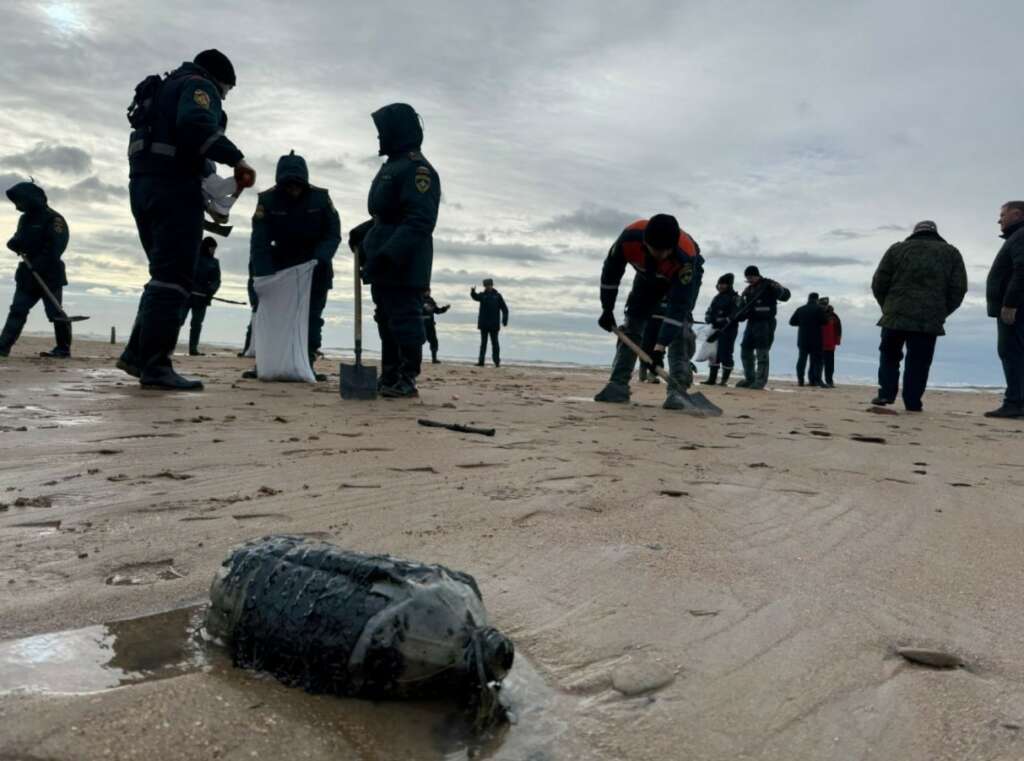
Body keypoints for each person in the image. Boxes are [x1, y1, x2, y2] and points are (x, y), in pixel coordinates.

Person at [118, 49, 255, 390]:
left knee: (162, 276)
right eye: (227, 90)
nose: (223, 97)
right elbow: (195, 128)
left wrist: (207, 182)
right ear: (220, 79)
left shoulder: (166, 87)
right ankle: (155, 366)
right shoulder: (198, 85)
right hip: (173, 190)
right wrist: (237, 160)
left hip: (144, 186)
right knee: (175, 279)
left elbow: (180, 143)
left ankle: (137, 357)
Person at [348, 103, 441, 398]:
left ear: (398, 132)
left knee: (404, 317)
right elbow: (387, 214)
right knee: (385, 316)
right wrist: (364, 233)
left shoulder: (418, 169)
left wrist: (389, 255)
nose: (378, 138)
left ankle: (406, 377)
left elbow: (419, 220)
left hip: (404, 259)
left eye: (382, 132)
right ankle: (389, 374)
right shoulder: (392, 166)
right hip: (381, 254)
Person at [594, 214, 704, 410]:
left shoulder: (685, 256)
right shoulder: (629, 239)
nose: (661, 255)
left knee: (680, 330)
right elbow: (611, 273)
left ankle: (678, 391)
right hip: (647, 278)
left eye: (665, 251)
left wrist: (658, 349)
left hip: (679, 278)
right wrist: (607, 309)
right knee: (632, 324)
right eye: (656, 250)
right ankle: (618, 385)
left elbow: (677, 307)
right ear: (645, 243)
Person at [248, 151, 340, 379]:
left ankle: (306, 362)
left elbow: (333, 234)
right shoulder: (267, 200)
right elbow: (259, 240)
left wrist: (320, 258)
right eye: (288, 185)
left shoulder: (321, 198)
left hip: (315, 266)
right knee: (272, 316)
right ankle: (265, 362)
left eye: (297, 185)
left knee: (312, 317)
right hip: (280, 265)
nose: (293, 190)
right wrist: (263, 275)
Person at [870, 220, 967, 411]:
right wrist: (941, 311)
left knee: (889, 356)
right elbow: (958, 289)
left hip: (895, 314)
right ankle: (913, 401)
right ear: (936, 233)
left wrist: (888, 306)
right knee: (919, 362)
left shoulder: (897, 249)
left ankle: (885, 394)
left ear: (915, 232)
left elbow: (879, 283)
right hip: (928, 319)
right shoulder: (951, 253)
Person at [0, 181, 71, 358]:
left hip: (50, 275)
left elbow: (56, 246)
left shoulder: (54, 219)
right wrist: (15, 243)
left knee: (55, 312)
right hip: (27, 275)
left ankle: (63, 349)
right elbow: (20, 239)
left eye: (20, 201)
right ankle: (3, 347)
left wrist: (40, 263)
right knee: (17, 310)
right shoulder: (25, 219)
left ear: (31, 198)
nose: (18, 206)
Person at [984, 202, 1024, 418]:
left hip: (1016, 308)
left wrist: (1010, 304)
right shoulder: (1017, 236)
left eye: (1003, 215)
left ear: (1017, 214)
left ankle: (1015, 403)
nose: (999, 220)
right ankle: (1017, 402)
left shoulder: (1020, 236)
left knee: (1011, 352)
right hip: (1017, 305)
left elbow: (1022, 269)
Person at [735, 266, 790, 389]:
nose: (749, 280)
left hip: (765, 322)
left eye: (750, 277)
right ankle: (750, 378)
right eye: (747, 278)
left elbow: (786, 296)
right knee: (745, 350)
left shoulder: (769, 285)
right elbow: (742, 309)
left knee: (762, 352)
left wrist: (779, 289)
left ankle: (760, 381)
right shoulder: (748, 290)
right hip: (751, 323)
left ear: (757, 275)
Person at [184, 236, 221, 355]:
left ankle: (193, 349)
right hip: (187, 296)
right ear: (206, 247)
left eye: (214, 249)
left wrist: (210, 291)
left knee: (196, 324)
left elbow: (217, 280)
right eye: (212, 248)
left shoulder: (214, 262)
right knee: (178, 320)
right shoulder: (193, 257)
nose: (213, 251)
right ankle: (168, 346)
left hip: (202, 298)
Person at [701, 273, 739, 385]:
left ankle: (724, 380)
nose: (721, 286)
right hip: (714, 328)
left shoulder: (735, 297)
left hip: (728, 329)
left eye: (723, 284)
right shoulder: (716, 297)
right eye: (719, 284)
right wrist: (708, 317)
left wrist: (725, 320)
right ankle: (711, 379)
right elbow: (710, 310)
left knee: (725, 353)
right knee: (713, 353)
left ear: (729, 285)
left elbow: (736, 313)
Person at [788, 292, 827, 387]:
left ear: (808, 299)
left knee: (802, 360)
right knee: (815, 360)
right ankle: (814, 380)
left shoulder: (801, 309)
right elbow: (824, 322)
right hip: (816, 338)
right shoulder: (819, 309)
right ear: (817, 299)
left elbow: (792, 322)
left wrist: (802, 323)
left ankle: (800, 380)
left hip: (802, 338)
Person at [471, 279, 509, 367]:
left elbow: (505, 309)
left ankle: (497, 362)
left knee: (495, 343)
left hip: (494, 324)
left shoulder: (498, 296)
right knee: (483, 343)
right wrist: (472, 292)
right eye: (486, 285)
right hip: (484, 324)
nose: (487, 287)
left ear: (492, 285)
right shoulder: (482, 295)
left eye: (489, 285)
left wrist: (505, 319)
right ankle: (481, 362)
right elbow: (475, 297)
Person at [422, 288, 450, 363]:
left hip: (430, 324)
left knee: (434, 341)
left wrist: (445, 308)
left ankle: (434, 359)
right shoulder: (419, 299)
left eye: (429, 291)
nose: (428, 293)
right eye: (427, 291)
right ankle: (416, 358)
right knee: (419, 341)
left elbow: (437, 311)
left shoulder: (431, 300)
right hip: (421, 325)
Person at [819, 297, 842, 388]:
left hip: (829, 345)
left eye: (824, 304)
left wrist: (837, 341)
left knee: (829, 365)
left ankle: (829, 381)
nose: (824, 306)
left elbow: (838, 329)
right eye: (822, 304)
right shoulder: (819, 314)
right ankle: (819, 381)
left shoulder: (834, 316)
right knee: (820, 364)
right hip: (820, 344)